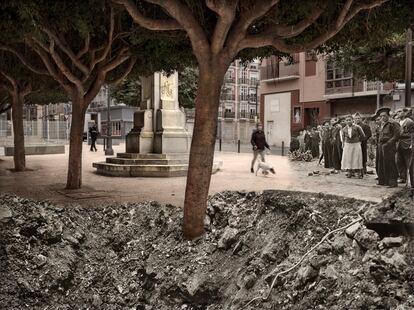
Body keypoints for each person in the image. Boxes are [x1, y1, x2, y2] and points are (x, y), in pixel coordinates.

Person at [376, 107, 400, 187]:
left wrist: (388, 143)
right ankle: (383, 181)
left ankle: (392, 182)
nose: (382, 118)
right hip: (381, 146)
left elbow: (397, 135)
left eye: (384, 116)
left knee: (390, 163)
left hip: (389, 146)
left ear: (388, 115)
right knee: (381, 163)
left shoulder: (393, 123)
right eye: (381, 116)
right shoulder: (381, 124)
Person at [396, 108, 414, 184]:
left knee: (408, 161)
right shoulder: (397, 122)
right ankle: (402, 177)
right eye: (397, 112)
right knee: (399, 161)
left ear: (404, 113)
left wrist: (411, 143)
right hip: (399, 143)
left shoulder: (409, 122)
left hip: (407, 142)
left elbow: (412, 133)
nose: (398, 113)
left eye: (400, 111)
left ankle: (410, 179)